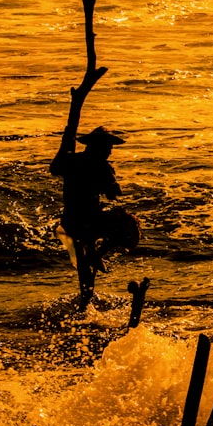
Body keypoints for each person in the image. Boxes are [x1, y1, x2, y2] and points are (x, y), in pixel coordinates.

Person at [50, 125, 139, 303]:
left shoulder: (72, 161)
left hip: (70, 220)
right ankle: (98, 255)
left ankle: (86, 295)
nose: (110, 152)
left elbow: (54, 168)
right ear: (98, 148)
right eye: (108, 148)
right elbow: (113, 194)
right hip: (90, 220)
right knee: (129, 225)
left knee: (83, 263)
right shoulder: (102, 167)